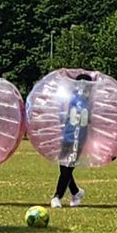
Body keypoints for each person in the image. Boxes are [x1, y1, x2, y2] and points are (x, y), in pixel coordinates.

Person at [51, 74, 90, 209]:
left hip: (79, 139)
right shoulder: (70, 98)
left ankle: (57, 196)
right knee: (64, 167)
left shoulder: (90, 102)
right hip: (67, 136)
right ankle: (76, 192)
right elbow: (62, 115)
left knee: (68, 167)